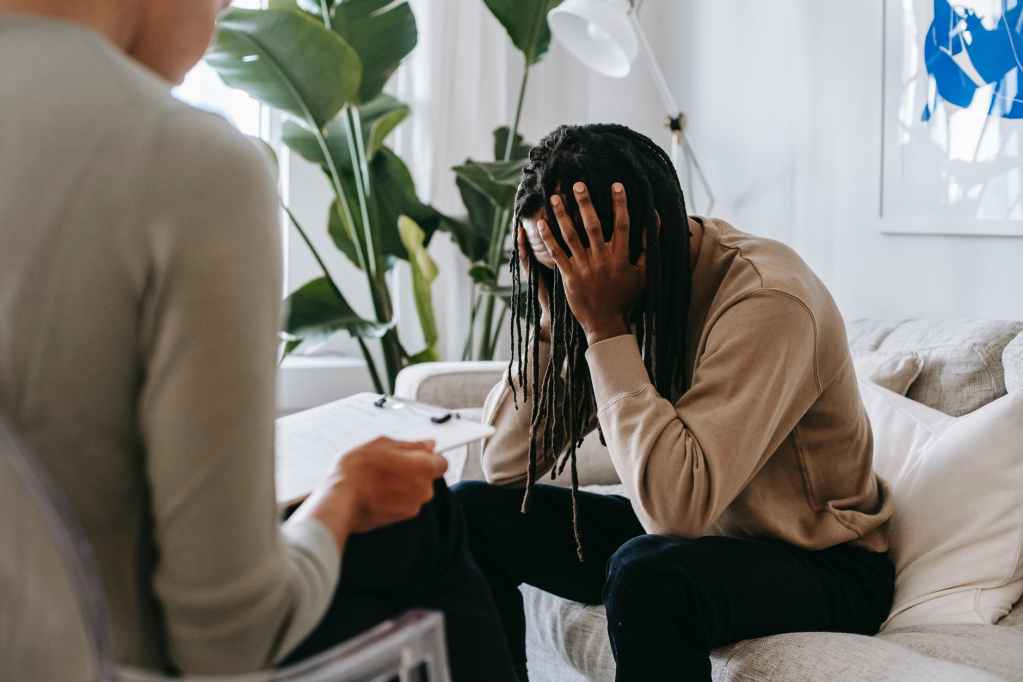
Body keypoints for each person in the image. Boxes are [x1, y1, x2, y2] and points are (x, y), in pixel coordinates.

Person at [0, 1, 515, 679]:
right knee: (424, 525)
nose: (221, 16)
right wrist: (344, 496)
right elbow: (227, 639)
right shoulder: (184, 161)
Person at [453, 123, 896, 682]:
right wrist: (549, 323)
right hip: (703, 537)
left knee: (648, 574)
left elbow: (676, 511)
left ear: (651, 234)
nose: (570, 282)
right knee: (466, 514)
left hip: (821, 563)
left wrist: (604, 327)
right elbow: (505, 466)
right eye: (551, 264)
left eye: (575, 264)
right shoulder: (604, 286)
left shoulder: (768, 300)